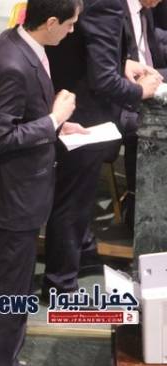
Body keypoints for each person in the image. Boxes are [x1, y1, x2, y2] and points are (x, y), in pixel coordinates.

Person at [0, 1, 82, 366]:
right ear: (50, 22)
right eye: (69, 24)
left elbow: (24, 116)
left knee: (18, 290)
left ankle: (7, 360)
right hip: (11, 201)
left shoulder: (22, 43)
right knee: (6, 294)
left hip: (26, 194)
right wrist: (52, 120)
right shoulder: (12, 63)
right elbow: (0, 138)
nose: (72, 31)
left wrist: (59, 127)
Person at [43, 0, 162, 299]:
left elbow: (88, 48)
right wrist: (141, 91)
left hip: (76, 102)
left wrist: (123, 63)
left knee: (80, 197)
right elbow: (103, 79)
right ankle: (60, 285)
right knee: (72, 201)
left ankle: (83, 255)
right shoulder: (107, 4)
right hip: (82, 114)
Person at [121, 0, 167, 229]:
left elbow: (152, 48)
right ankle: (141, 211)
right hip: (124, 94)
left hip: (150, 77)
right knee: (144, 126)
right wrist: (139, 88)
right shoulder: (114, 11)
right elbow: (106, 71)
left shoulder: (145, 11)